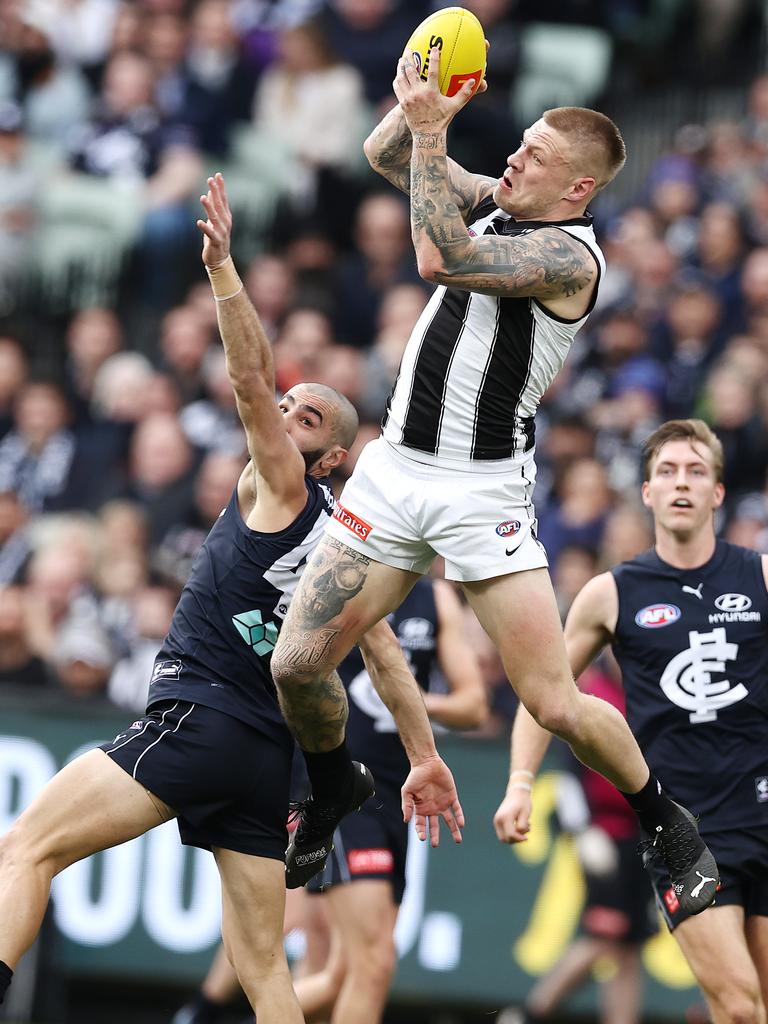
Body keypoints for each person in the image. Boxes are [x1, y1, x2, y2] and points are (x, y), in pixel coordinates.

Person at [0, 174, 463, 1022]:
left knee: (24, 847)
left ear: (327, 465)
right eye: (290, 405)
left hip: (201, 717)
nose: (288, 415)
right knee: (263, 971)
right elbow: (386, 654)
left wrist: (223, 271)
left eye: (311, 420)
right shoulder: (342, 547)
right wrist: (425, 755)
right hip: (265, 761)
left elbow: (250, 378)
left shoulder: (283, 488)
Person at [269, 45, 719, 912]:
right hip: (395, 470)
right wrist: (421, 107)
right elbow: (386, 158)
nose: (513, 159)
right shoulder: (501, 201)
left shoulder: (569, 260)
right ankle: (333, 786)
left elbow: (439, 258)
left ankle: (666, 821)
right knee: (296, 664)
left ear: (578, 189)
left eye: (536, 157)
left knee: (552, 702)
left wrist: (436, 138)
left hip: (482, 492)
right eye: (519, 143)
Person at [494, 419, 768, 1024]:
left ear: (718, 492)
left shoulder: (760, 576)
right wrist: (519, 781)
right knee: (739, 1005)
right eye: (666, 471)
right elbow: (546, 694)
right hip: (685, 829)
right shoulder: (613, 594)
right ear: (645, 491)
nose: (681, 483)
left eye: (697, 472)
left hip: (762, 810)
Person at [172, 575, 488, 1024]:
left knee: (343, 970)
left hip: (401, 796)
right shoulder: (335, 577)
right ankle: (206, 1011)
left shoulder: (435, 598)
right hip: (338, 789)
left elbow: (474, 705)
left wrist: (411, 699)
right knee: (370, 962)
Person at [496, 668, 656, 1024]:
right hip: (602, 836)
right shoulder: (589, 692)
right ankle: (527, 1015)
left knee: (630, 945)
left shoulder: (647, 688)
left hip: (644, 837)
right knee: (604, 935)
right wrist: (583, 832)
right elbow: (569, 773)